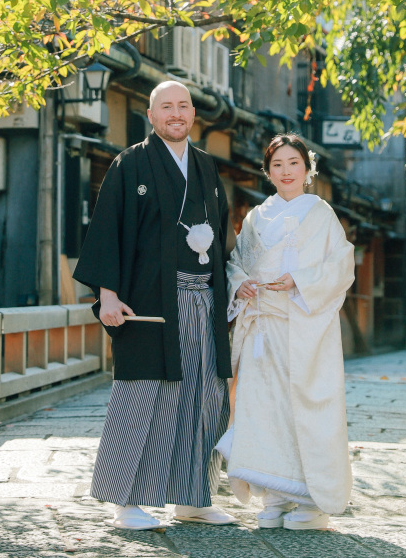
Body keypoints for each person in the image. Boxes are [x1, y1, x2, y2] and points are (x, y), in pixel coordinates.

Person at [74, 80, 234, 530]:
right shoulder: (131, 163)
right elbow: (107, 229)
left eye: (183, 106)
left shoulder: (205, 166)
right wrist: (106, 293)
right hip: (150, 301)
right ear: (152, 115)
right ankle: (126, 501)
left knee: (203, 397)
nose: (176, 114)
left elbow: (221, 239)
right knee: (142, 395)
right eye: (167, 107)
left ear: (193, 115)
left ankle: (193, 496)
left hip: (204, 299)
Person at [217, 133, 355, 531]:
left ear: (308, 169)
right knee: (262, 411)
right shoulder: (258, 216)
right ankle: (274, 494)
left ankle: (311, 500)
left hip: (302, 328)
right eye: (277, 164)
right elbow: (235, 262)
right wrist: (239, 282)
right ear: (267, 171)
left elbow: (341, 266)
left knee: (304, 409)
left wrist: (298, 279)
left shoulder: (321, 213)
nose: (286, 171)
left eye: (294, 163)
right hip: (262, 327)